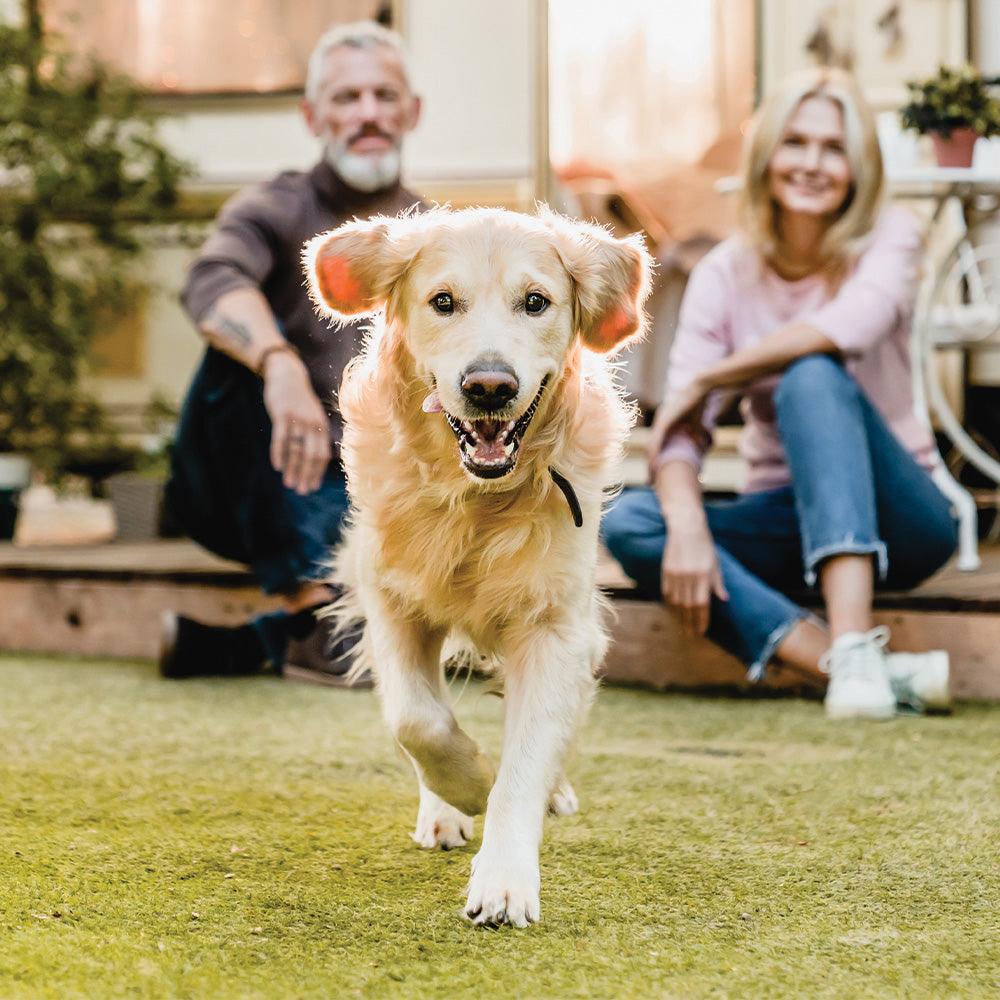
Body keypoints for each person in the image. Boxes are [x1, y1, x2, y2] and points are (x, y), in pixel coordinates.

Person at [601, 67, 959, 720]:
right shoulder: (723, 275)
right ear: (768, 155)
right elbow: (681, 432)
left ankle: (852, 640)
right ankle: (855, 669)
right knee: (631, 521)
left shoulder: (893, 235)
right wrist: (685, 524)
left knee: (813, 375)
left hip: (901, 519)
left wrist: (715, 376)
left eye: (834, 147)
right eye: (796, 142)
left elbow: (844, 330)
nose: (812, 163)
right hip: (785, 517)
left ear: (859, 165)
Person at [158, 21, 423, 685]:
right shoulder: (273, 208)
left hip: (359, 488)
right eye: (346, 98)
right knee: (235, 358)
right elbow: (211, 283)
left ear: (412, 111)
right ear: (311, 116)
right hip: (249, 479)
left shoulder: (435, 236)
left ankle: (285, 640)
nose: (367, 114)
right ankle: (310, 602)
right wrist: (277, 364)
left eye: (384, 96)